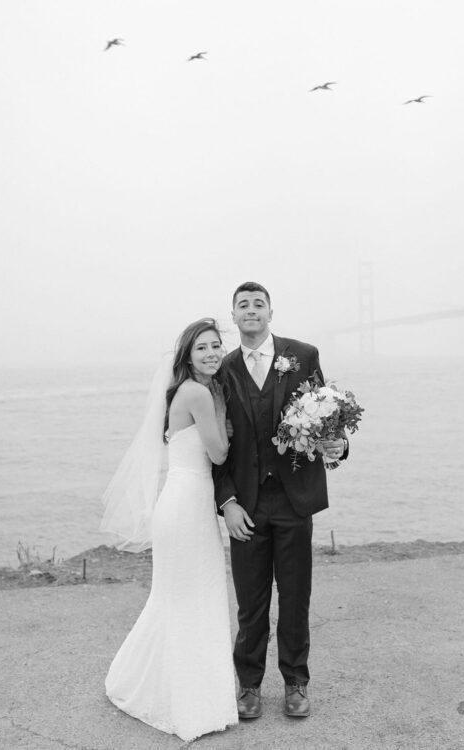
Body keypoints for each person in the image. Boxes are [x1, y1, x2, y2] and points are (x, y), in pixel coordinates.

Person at [215, 281, 349, 720]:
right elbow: (214, 448)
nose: (251, 310)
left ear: (270, 312)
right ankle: (249, 686)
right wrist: (227, 502)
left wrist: (338, 445)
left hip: (293, 501)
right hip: (246, 508)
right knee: (251, 604)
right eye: (242, 305)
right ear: (234, 316)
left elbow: (328, 418)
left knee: (294, 598)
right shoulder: (221, 370)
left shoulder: (303, 356)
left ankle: (296, 682)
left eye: (258, 304)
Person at [101, 318, 238, 743]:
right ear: (187, 356)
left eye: (216, 346)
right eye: (202, 348)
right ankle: (183, 698)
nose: (212, 353)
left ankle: (189, 689)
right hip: (185, 507)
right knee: (188, 598)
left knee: (185, 597)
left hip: (187, 503)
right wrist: (229, 425)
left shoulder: (194, 390)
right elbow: (218, 453)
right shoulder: (197, 392)